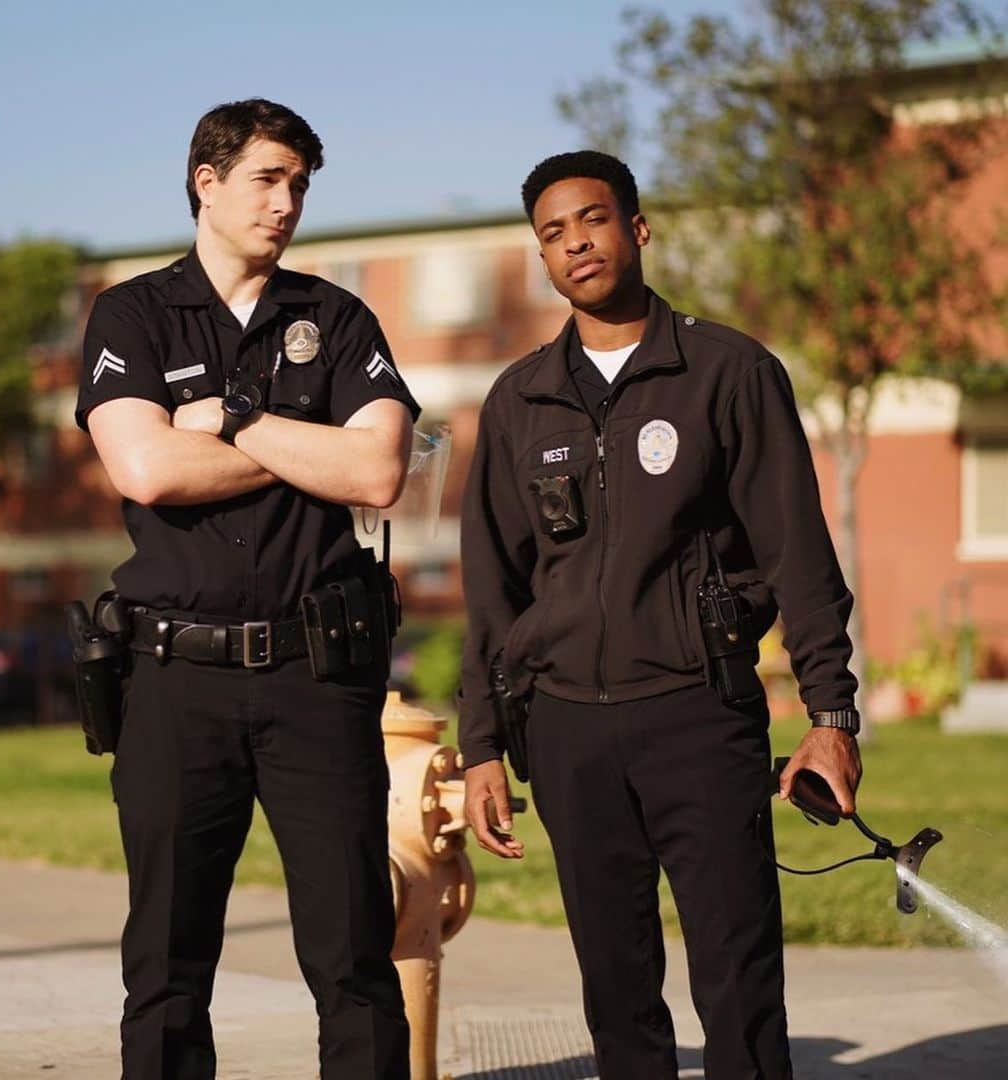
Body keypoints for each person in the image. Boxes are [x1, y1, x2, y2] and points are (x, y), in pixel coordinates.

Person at [458, 150, 863, 1080]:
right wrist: (483, 744)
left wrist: (830, 716)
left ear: (636, 229)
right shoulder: (519, 400)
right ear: (543, 258)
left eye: (592, 221)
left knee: (739, 981)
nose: (575, 245)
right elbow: (493, 591)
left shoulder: (728, 372)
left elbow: (799, 558)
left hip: (699, 716)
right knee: (617, 990)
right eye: (553, 234)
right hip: (565, 731)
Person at [75, 98, 418, 1080]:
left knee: (355, 954)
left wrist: (231, 421)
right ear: (207, 182)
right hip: (174, 679)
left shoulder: (337, 316)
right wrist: (309, 445)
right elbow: (146, 470)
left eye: (301, 184)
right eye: (268, 179)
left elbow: (379, 472)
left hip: (319, 675)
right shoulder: (132, 313)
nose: (288, 202)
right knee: (170, 965)